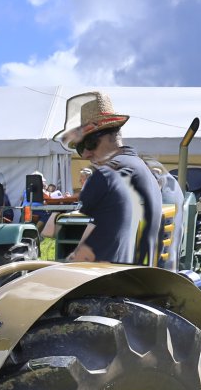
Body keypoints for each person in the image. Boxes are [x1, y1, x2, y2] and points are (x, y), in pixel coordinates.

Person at [53, 91, 163, 265]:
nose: (86, 154)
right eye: (80, 148)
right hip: (137, 274)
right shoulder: (141, 168)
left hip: (109, 277)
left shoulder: (107, 175)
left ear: (112, 136)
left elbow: (78, 255)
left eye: (90, 143)